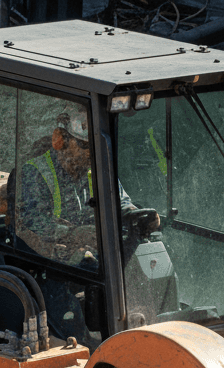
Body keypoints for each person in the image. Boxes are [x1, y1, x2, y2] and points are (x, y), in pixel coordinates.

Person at [14, 107, 159, 269]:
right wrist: (73, 234)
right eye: (84, 145)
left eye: (96, 146)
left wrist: (136, 215)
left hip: (86, 258)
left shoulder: (96, 167)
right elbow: (31, 221)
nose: (91, 153)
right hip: (45, 264)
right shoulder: (36, 171)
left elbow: (118, 200)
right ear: (59, 140)